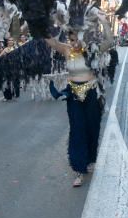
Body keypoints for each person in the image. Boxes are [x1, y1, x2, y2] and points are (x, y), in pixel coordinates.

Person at [45, 11, 111, 187]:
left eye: (77, 40)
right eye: (71, 40)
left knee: (92, 128)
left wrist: (105, 23)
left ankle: (89, 159)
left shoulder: (93, 50)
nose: (74, 43)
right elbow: (50, 41)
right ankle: (79, 169)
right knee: (77, 130)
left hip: (91, 94)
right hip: (73, 94)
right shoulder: (66, 49)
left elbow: (110, 42)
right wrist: (48, 20)